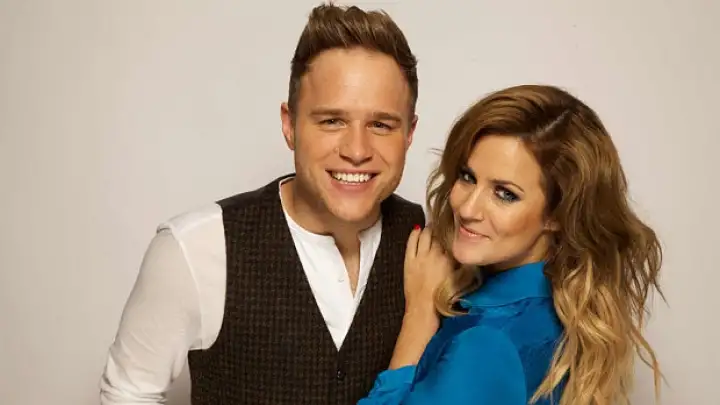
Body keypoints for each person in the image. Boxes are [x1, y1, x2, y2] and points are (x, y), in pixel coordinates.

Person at [99, 3, 425, 405]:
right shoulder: (197, 248)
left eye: (381, 124)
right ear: (290, 125)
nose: (357, 151)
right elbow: (129, 392)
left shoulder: (425, 238)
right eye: (331, 121)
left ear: (409, 133)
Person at [357, 84, 664, 405]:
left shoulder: (486, 343)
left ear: (557, 215)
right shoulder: (554, 308)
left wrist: (419, 317)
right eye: (468, 177)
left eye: (505, 194)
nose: (467, 209)